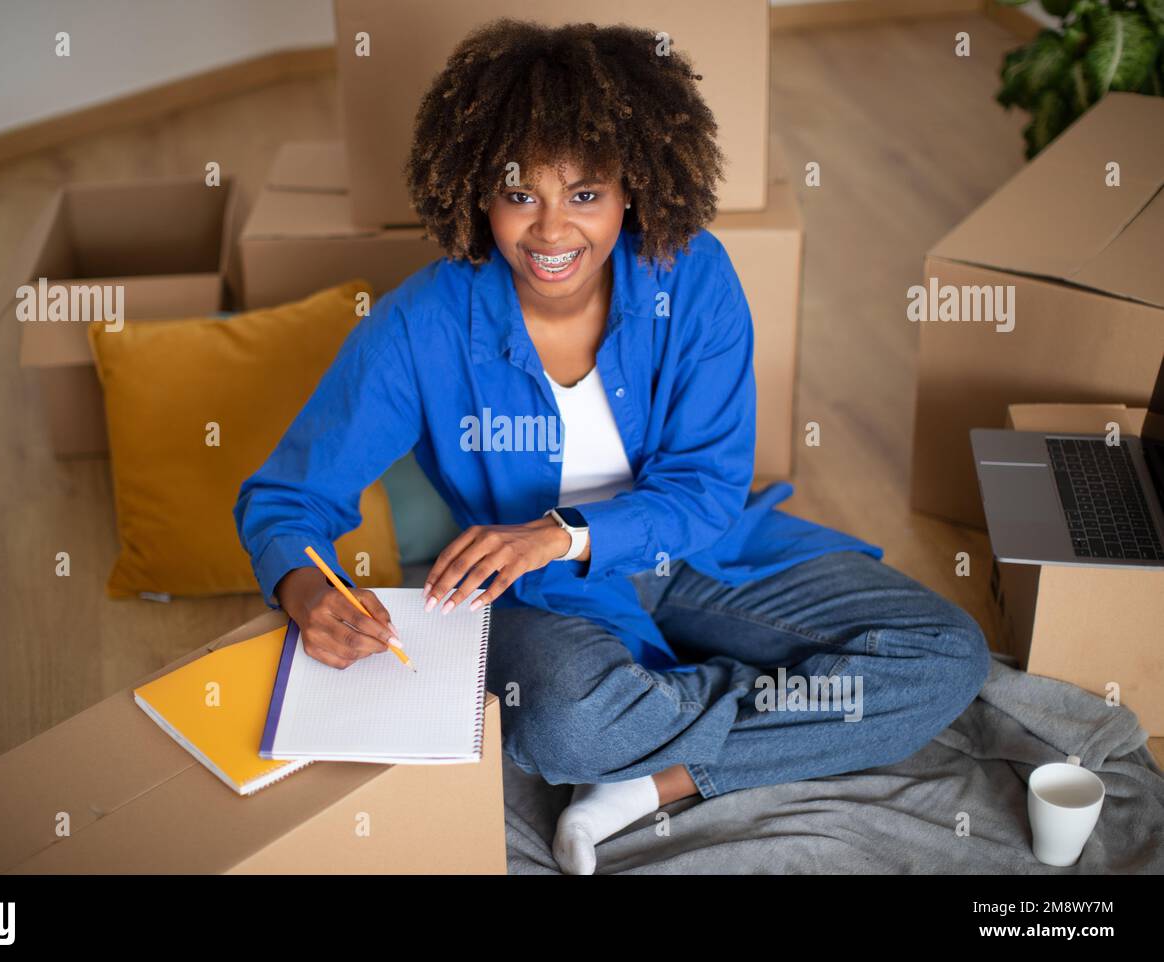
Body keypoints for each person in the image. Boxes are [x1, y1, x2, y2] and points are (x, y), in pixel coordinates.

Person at [234, 18, 991, 875]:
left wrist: (565, 530)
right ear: (477, 191)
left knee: (947, 653)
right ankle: (722, 717)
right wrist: (302, 588)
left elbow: (707, 490)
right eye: (522, 195)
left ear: (636, 187)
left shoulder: (694, 277)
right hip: (535, 595)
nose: (553, 232)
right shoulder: (421, 323)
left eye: (586, 194)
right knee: (569, 721)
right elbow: (288, 497)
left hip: (707, 551)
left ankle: (654, 777)